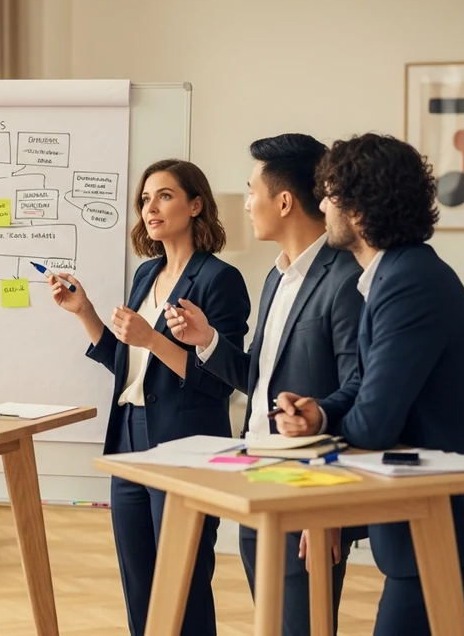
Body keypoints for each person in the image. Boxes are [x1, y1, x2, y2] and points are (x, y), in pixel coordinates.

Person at [272, 133, 464, 636]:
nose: (321, 204)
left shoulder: (406, 282)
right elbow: (364, 384)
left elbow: (375, 422)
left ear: (361, 206)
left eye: (331, 193)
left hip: (450, 529)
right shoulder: (392, 276)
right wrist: (318, 411)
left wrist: (327, 434)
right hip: (442, 526)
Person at [164, 134, 365, 636]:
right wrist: (207, 339)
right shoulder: (277, 277)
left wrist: (333, 506)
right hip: (260, 477)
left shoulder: (345, 279)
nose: (247, 202)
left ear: (284, 201)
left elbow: (359, 390)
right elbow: (260, 380)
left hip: (308, 491)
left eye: (251, 189)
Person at [48, 158, 250, 636]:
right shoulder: (146, 275)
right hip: (129, 439)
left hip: (184, 443)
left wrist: (153, 340)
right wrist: (85, 312)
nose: (150, 207)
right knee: (139, 582)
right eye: (145, 199)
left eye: (164, 196)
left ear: (195, 205)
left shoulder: (220, 279)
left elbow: (221, 380)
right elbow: (129, 364)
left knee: (183, 580)